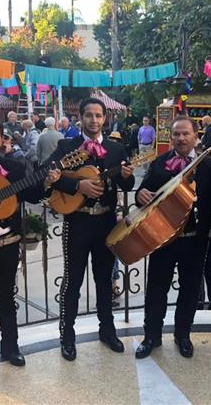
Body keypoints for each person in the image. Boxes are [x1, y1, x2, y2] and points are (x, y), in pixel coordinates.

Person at [0, 116, 60, 381]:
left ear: (3, 139)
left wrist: (47, 182)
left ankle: (10, 348)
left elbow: (32, 195)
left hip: (7, 245)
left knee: (8, 300)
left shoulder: (14, 168)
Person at [46, 97, 135, 362]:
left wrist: (127, 178)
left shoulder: (115, 149)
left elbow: (126, 185)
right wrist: (77, 187)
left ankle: (107, 331)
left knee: (105, 280)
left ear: (105, 118)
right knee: (72, 282)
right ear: (80, 118)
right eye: (89, 115)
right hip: (78, 222)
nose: (94, 120)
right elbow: (46, 173)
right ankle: (68, 338)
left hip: (106, 222)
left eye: (98, 115)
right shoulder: (67, 146)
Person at [134, 115, 211, 360]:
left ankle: (182, 335)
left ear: (196, 136)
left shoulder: (210, 166)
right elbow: (143, 192)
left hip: (195, 240)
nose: (181, 138)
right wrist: (140, 194)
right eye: (176, 134)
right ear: (170, 137)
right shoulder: (159, 163)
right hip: (163, 239)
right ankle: (151, 336)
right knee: (156, 289)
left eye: (186, 133)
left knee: (190, 290)